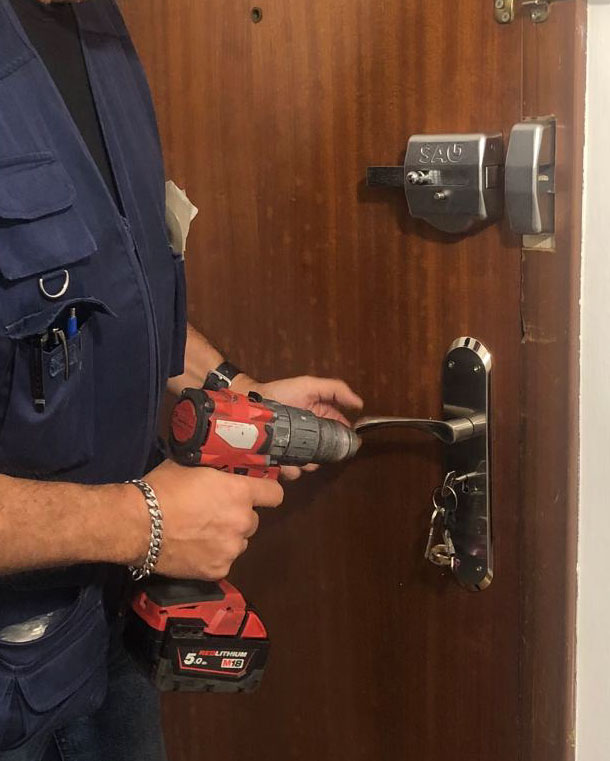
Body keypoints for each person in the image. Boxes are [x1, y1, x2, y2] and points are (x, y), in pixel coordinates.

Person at [0, 0, 363, 758]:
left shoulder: (95, 30)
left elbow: (96, 292)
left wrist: (234, 392)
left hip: (105, 639)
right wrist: (144, 523)